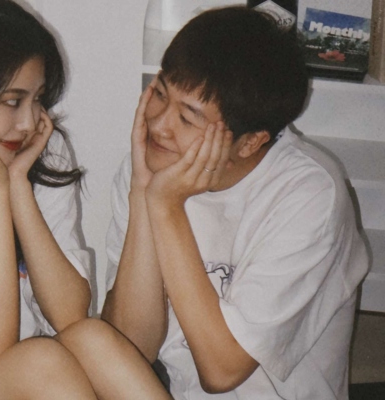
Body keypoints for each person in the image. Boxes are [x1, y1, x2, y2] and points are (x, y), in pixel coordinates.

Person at [59, 5, 369, 399]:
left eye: (188, 119)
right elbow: (132, 346)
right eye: (159, 94)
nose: (159, 125)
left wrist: (166, 208)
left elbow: (222, 371)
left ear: (251, 142)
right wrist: (143, 192)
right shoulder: (151, 164)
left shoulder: (309, 194)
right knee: (83, 343)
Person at [0, 1, 97, 398]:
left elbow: (69, 316)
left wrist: (17, 183)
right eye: (13, 101)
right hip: (9, 367)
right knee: (42, 361)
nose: (30, 122)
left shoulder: (36, 153)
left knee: (92, 339)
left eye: (38, 99)